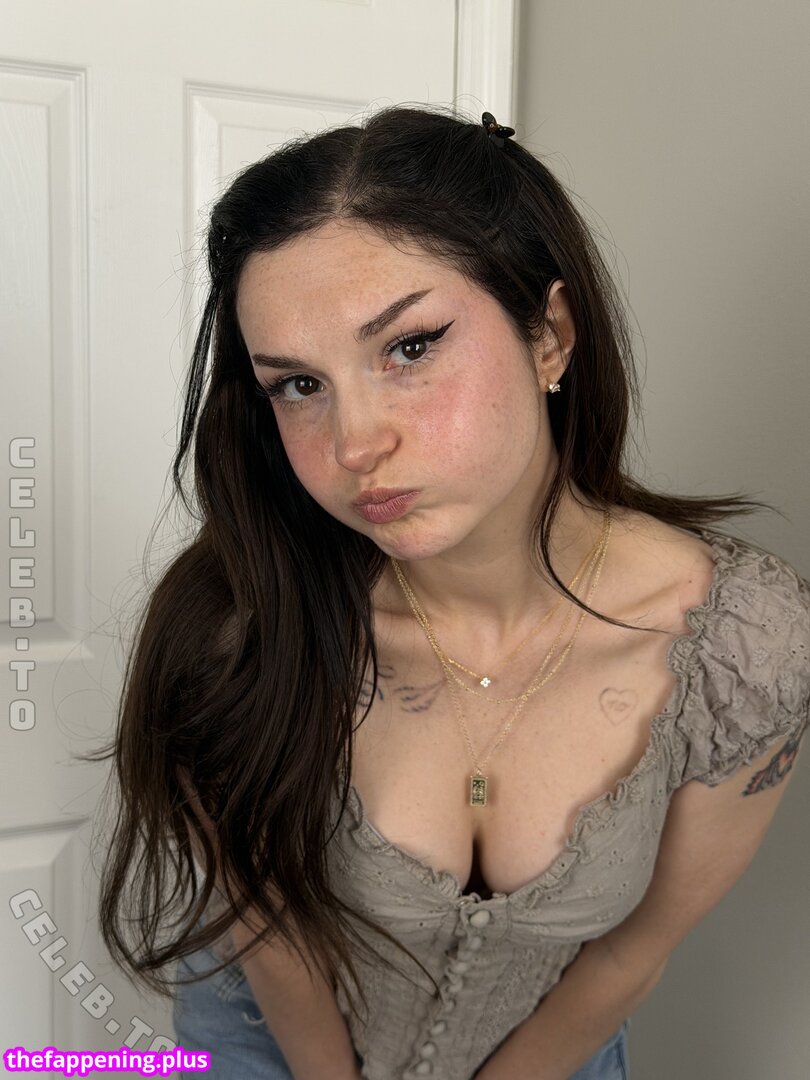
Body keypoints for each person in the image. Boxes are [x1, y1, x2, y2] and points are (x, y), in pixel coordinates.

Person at [93, 104, 810, 1080]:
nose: (355, 444)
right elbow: (273, 939)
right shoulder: (234, 626)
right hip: (271, 1037)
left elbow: (632, 951)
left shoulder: (744, 647)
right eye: (298, 385)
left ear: (550, 334)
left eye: (410, 348)